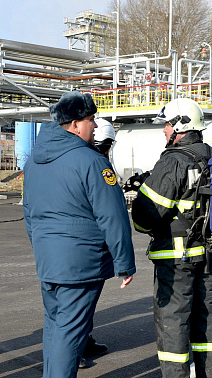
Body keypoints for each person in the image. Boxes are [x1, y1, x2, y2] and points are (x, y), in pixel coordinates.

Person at [23, 91, 136, 378]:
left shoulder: (34, 161)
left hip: (49, 260)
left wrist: (42, 247)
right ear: (75, 124)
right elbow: (113, 216)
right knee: (70, 335)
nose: (95, 126)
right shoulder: (91, 161)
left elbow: (29, 212)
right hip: (82, 263)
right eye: (90, 119)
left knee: (55, 327)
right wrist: (124, 263)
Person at [131, 98, 212, 378]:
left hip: (175, 258)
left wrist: (141, 220)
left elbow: (146, 214)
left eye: (166, 124)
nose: (163, 130)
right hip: (207, 252)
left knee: (173, 322)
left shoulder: (174, 160)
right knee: (208, 315)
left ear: (181, 126)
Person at [77, 117, 117, 369]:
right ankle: (75, 347)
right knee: (79, 302)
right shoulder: (95, 163)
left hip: (89, 243)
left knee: (87, 301)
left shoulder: (87, 161)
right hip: (86, 244)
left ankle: (84, 340)